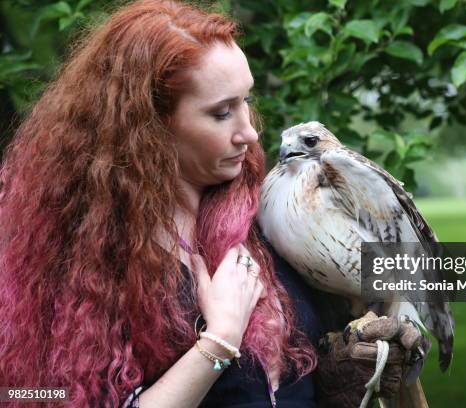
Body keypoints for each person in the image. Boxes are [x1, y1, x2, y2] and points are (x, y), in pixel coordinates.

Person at [0, 1, 424, 407]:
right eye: (222, 113)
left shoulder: (266, 217)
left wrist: (343, 364)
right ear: (148, 126)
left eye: (247, 101)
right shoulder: (85, 259)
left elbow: (420, 270)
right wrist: (219, 342)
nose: (250, 133)